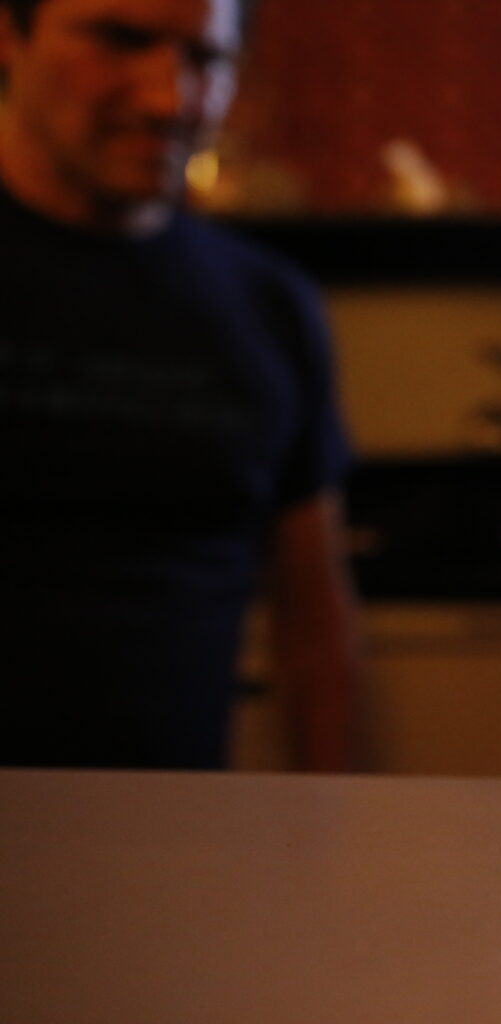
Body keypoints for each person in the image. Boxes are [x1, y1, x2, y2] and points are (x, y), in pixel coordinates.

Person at [0, 0, 361, 769]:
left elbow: (313, 626)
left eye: (205, 59)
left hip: (175, 831)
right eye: (119, 39)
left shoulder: (268, 307)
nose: (170, 99)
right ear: (9, 34)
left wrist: (337, 821)